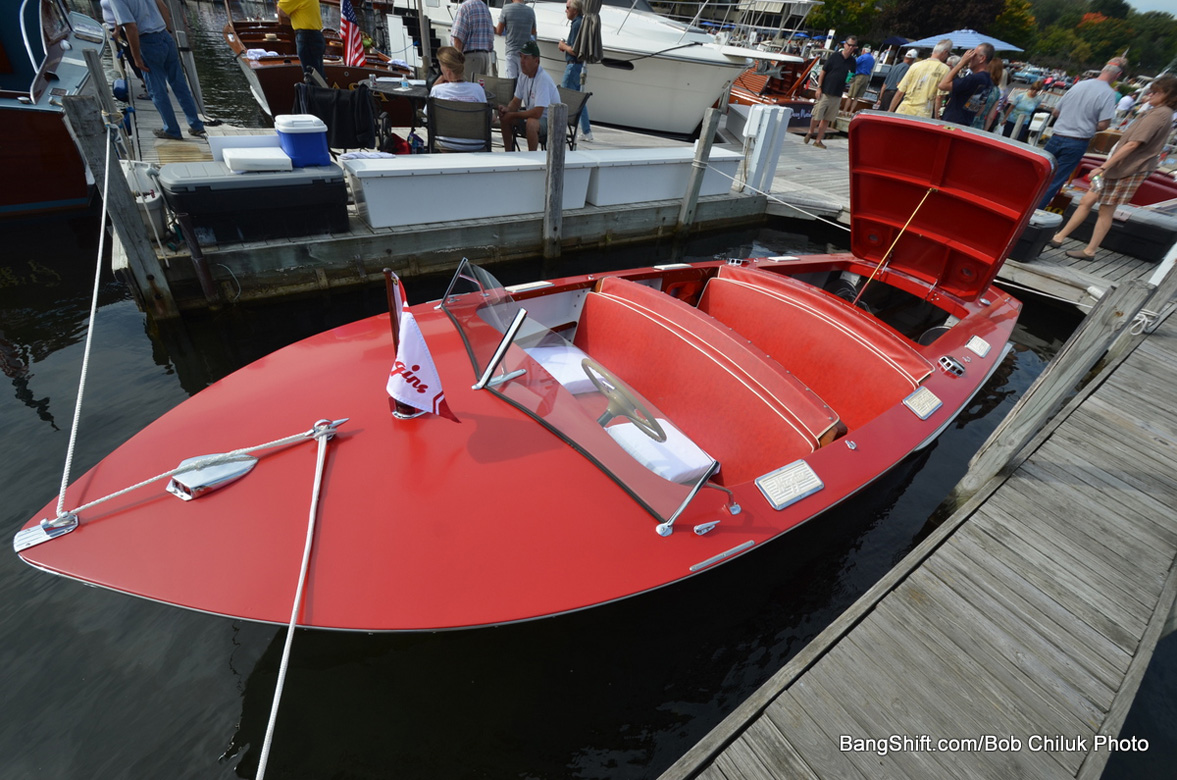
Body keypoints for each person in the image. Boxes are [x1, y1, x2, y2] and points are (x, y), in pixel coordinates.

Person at [1049, 75, 1177, 260]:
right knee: (1087, 201)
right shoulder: (1158, 112)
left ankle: (1090, 250)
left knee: (1106, 209)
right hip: (1118, 167)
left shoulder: (1159, 114)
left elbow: (1133, 144)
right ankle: (1059, 236)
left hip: (1127, 169)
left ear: (1168, 94)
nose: (1150, 95)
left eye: (1156, 92)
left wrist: (1102, 167)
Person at [109, 0, 206, 141]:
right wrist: (167, 31)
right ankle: (196, 125)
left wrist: (136, 57)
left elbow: (131, 27)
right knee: (179, 84)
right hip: (164, 35)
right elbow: (164, 9)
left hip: (147, 40)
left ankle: (172, 129)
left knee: (156, 88)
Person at [1037, 59, 1123, 210]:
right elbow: (1104, 124)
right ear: (1118, 75)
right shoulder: (1108, 93)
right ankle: (1033, 213)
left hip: (1057, 135)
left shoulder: (1079, 85)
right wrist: (1086, 124)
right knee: (1055, 181)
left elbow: (1056, 111)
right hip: (1077, 140)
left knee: (1040, 174)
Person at [498, 40, 560, 151]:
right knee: (505, 118)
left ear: (536, 61)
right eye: (521, 57)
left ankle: (532, 158)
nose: (522, 61)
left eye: (526, 58)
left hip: (550, 122)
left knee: (531, 123)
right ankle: (508, 153)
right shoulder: (523, 75)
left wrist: (513, 115)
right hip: (534, 117)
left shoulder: (542, 78)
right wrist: (507, 110)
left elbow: (537, 113)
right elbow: (516, 101)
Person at [429, 47, 489, 151]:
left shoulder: (437, 90)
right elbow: (489, 117)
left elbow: (428, 115)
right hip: (475, 144)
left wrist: (441, 78)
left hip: (448, 144)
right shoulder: (477, 89)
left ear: (447, 71)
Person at [804, 36, 857, 149]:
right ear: (845, 45)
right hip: (826, 91)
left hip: (837, 94)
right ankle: (810, 131)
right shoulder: (835, 56)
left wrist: (852, 80)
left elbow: (851, 76)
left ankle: (818, 140)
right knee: (817, 115)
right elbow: (823, 71)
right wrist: (819, 87)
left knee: (827, 118)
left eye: (853, 46)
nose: (851, 48)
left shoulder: (853, 61)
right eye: (849, 45)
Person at [556, 0, 592, 142]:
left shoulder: (577, 24)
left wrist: (563, 45)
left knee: (565, 98)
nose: (565, 10)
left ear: (575, 10)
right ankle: (587, 131)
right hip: (579, 67)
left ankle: (560, 129)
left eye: (567, 7)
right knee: (579, 101)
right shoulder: (581, 23)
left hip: (573, 66)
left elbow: (575, 50)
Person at [891, 39, 951, 118]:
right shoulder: (944, 69)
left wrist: (890, 110)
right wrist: (937, 117)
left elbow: (900, 91)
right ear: (945, 52)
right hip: (922, 113)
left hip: (903, 109)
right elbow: (939, 97)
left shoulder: (915, 65)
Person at [938, 43, 995, 126]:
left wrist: (961, 63)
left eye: (973, 55)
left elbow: (942, 85)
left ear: (982, 58)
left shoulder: (974, 78)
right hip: (966, 123)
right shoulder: (989, 82)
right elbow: (978, 111)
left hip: (952, 122)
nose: (969, 58)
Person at [276, 0, 325, 80]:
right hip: (315, 36)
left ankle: (314, 91)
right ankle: (320, 91)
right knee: (317, 76)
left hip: (306, 37)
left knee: (311, 77)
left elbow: (281, 10)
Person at [451, 0, 496, 81]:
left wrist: (456, 63)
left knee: (466, 90)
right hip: (484, 57)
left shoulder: (465, 7)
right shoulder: (484, 7)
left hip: (470, 58)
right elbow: (490, 35)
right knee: (478, 90)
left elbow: (458, 37)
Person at [496, 0, 536, 79]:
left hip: (511, 52)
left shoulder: (506, 9)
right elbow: (533, 32)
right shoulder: (530, 11)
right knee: (524, 83)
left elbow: (499, 31)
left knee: (511, 84)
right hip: (525, 54)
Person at [971, 57, 1004, 131]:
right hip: (979, 125)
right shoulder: (997, 91)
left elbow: (973, 107)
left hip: (968, 121)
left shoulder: (980, 84)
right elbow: (991, 117)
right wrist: (985, 130)